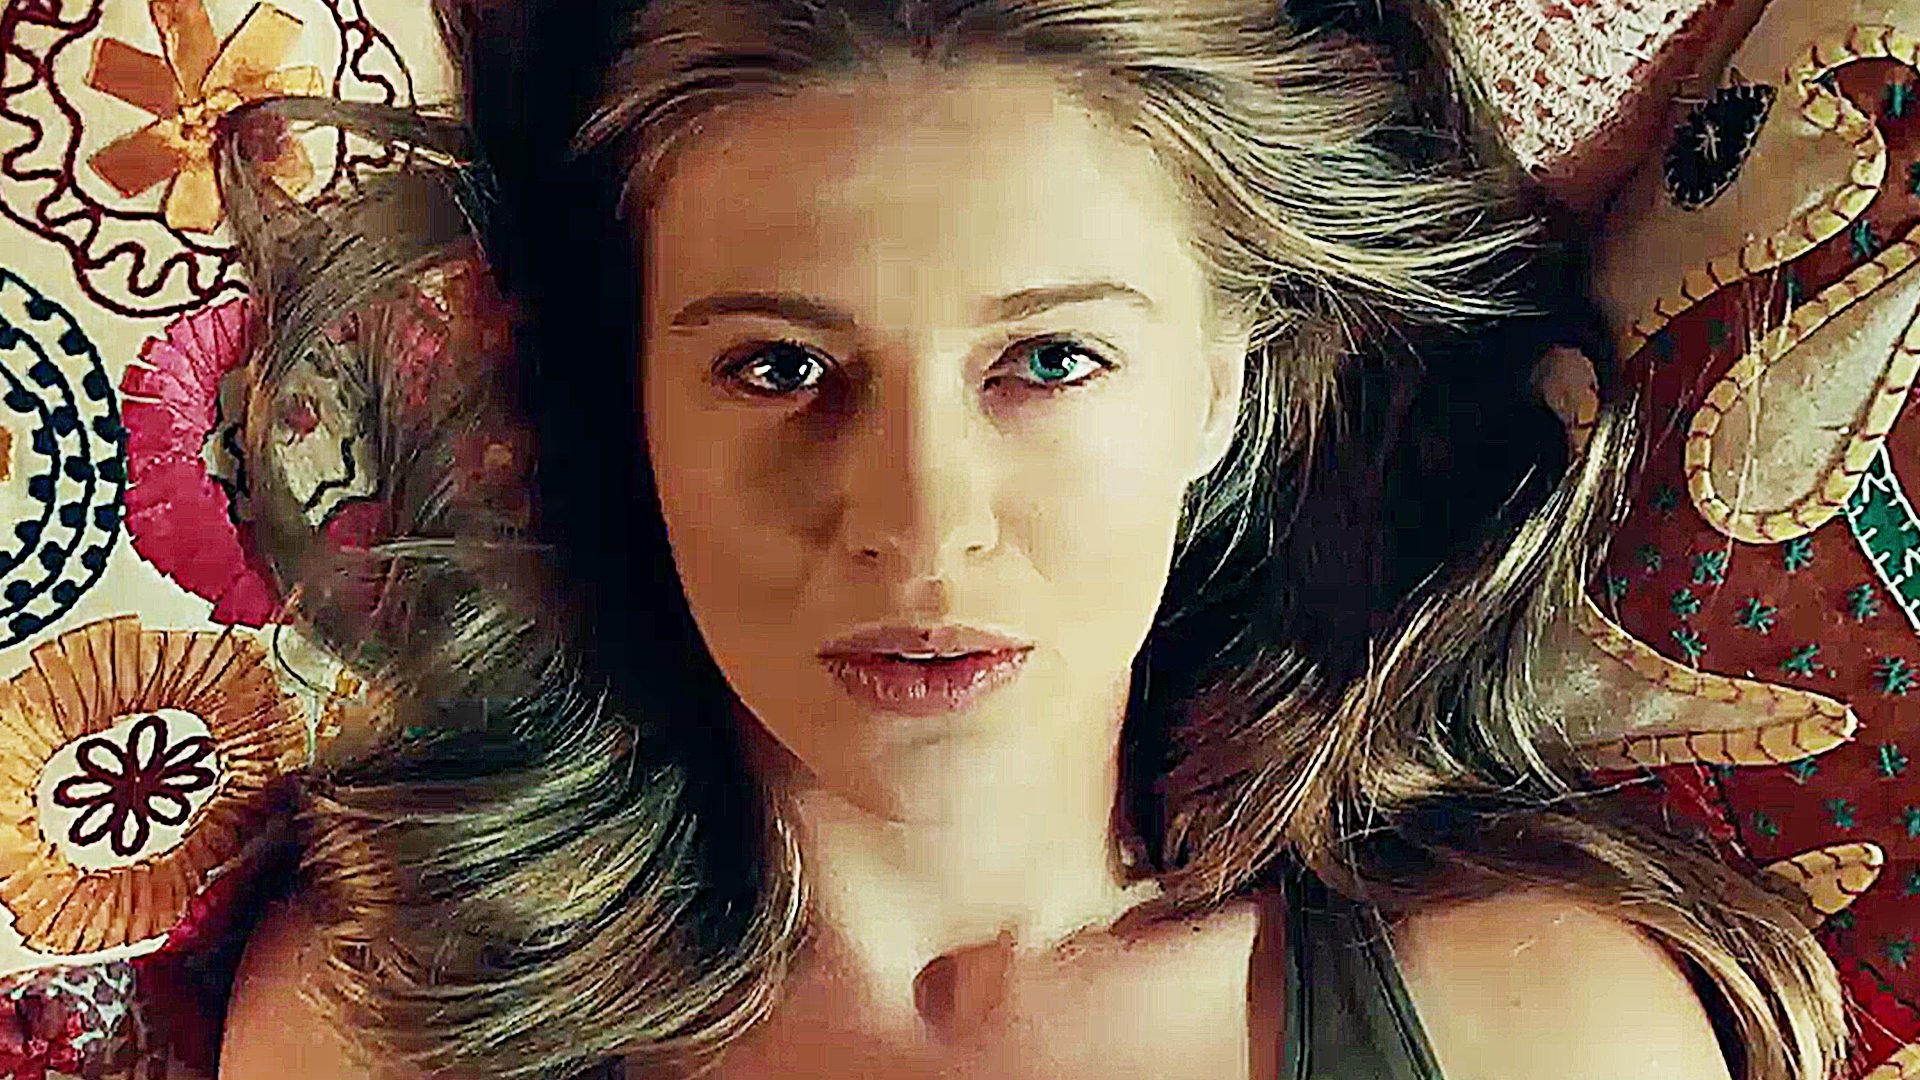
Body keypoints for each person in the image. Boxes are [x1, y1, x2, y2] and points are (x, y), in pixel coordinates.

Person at [213, 1, 1847, 1078]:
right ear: (629, 399)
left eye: (1049, 361)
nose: (921, 529)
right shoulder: (392, 1023)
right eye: (779, 369)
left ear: (1222, 386)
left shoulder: (1537, 1028)